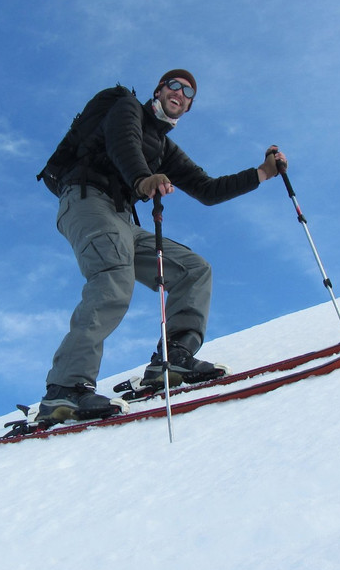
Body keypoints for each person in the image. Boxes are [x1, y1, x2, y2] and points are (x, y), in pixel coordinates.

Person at [36, 69, 287, 424]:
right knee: (113, 278)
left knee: (193, 270)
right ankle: (65, 389)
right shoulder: (125, 108)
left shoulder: (165, 149)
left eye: (188, 92)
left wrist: (261, 173)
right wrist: (142, 179)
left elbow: (206, 188)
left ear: (188, 107)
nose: (180, 93)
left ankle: (176, 358)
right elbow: (122, 142)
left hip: (122, 217)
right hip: (86, 200)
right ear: (159, 90)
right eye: (174, 85)